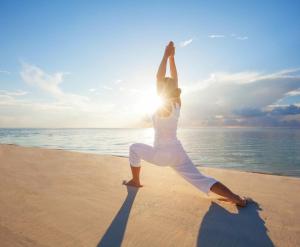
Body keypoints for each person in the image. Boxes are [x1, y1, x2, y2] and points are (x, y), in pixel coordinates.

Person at [124, 41, 247, 207]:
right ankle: (237, 199)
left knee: (133, 148)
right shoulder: (176, 105)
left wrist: (166, 55)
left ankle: (136, 181)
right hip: (178, 151)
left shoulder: (164, 106)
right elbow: (175, 79)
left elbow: (159, 78)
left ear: (162, 91)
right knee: (201, 179)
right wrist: (173, 59)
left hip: (162, 153)